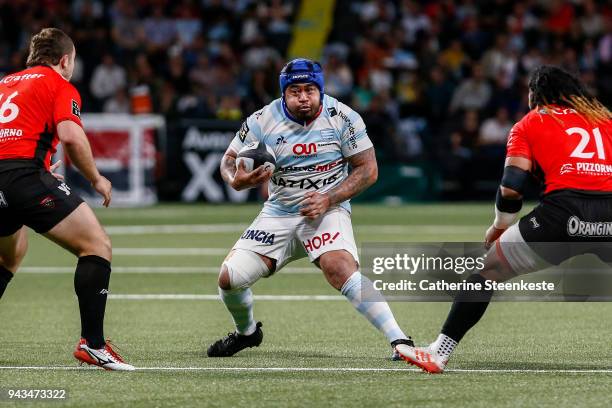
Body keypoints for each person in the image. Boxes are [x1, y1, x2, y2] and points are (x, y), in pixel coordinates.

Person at [396, 65, 612, 373]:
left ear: (535, 94)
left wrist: (499, 225)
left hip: (563, 214)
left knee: (487, 271)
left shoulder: (530, 122)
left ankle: (440, 352)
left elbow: (511, 187)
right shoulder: (604, 119)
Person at [207, 58, 413, 358]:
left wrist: (329, 199)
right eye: (294, 91)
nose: (303, 97)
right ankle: (247, 333)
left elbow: (368, 170)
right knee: (229, 279)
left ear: (320, 90)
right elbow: (227, 161)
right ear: (283, 93)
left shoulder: (343, 117)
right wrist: (236, 181)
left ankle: (399, 340)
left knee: (340, 267)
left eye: (309, 90)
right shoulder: (261, 120)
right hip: (278, 213)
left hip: (327, 211)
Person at [0, 28, 133, 371]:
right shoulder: (59, 84)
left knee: (11, 254)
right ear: (64, 60)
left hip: (12, 176)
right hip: (22, 176)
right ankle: (94, 344)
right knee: (96, 245)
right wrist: (95, 178)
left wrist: (35, 169)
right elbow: (71, 138)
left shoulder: (5, 85)